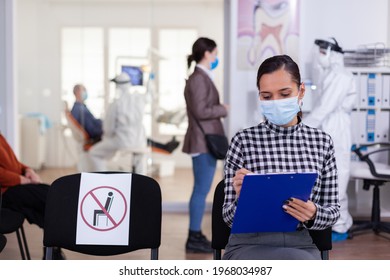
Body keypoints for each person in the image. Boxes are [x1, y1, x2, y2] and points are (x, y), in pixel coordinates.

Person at [222, 55, 340, 260]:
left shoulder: (322, 143)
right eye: (267, 97)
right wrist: (243, 199)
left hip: (300, 245)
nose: (275, 103)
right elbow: (228, 218)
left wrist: (313, 214)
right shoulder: (243, 141)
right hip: (247, 244)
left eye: (284, 94)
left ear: (301, 91)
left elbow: (332, 211)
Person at [305, 38, 357, 242]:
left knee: (339, 177)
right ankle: (334, 221)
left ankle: (340, 225)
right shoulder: (331, 75)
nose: (319, 57)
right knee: (329, 177)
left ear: (331, 53)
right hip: (330, 127)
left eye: (321, 52)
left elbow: (325, 107)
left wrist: (302, 128)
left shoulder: (340, 76)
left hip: (338, 129)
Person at [182, 37, 228, 253]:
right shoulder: (199, 79)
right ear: (207, 53)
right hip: (202, 143)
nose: (216, 57)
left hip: (203, 141)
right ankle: (193, 236)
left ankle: (196, 233)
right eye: (215, 53)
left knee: (200, 189)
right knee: (201, 190)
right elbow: (201, 111)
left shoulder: (200, 77)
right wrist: (223, 109)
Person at [0, 133, 64, 259]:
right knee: (52, 201)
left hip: (15, 185)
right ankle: (53, 252)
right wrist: (21, 179)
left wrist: (28, 170)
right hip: (4, 192)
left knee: (52, 197)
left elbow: (14, 163)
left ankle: (52, 252)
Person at [86, 72, 148, 173]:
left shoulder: (116, 103)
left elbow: (108, 129)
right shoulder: (139, 99)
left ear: (118, 85)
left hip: (122, 141)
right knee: (139, 157)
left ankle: (103, 180)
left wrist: (106, 137)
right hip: (139, 141)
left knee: (94, 153)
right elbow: (149, 96)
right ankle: (141, 182)